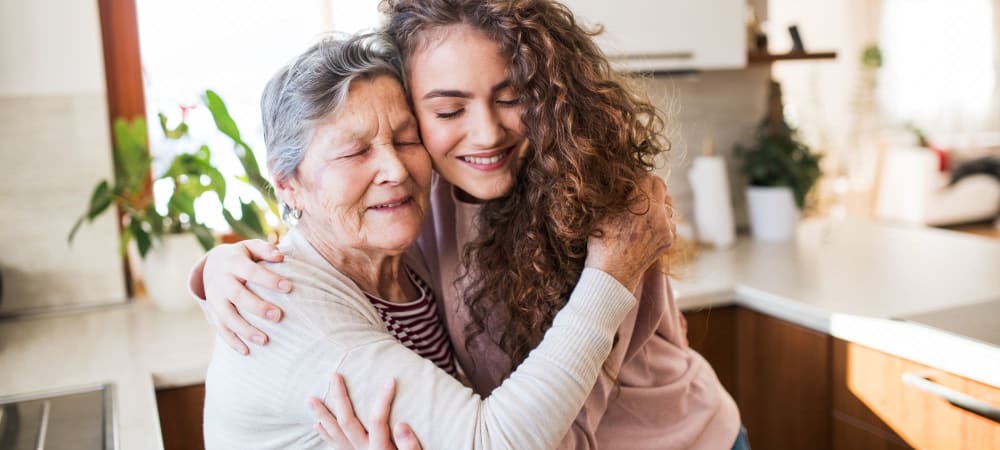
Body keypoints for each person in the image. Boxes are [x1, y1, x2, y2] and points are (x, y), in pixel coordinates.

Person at [193, 1, 746, 449]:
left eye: (512, 99)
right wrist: (218, 267)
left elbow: (560, 437)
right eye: (449, 112)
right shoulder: (417, 193)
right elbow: (319, 241)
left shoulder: (595, 204)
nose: (484, 135)